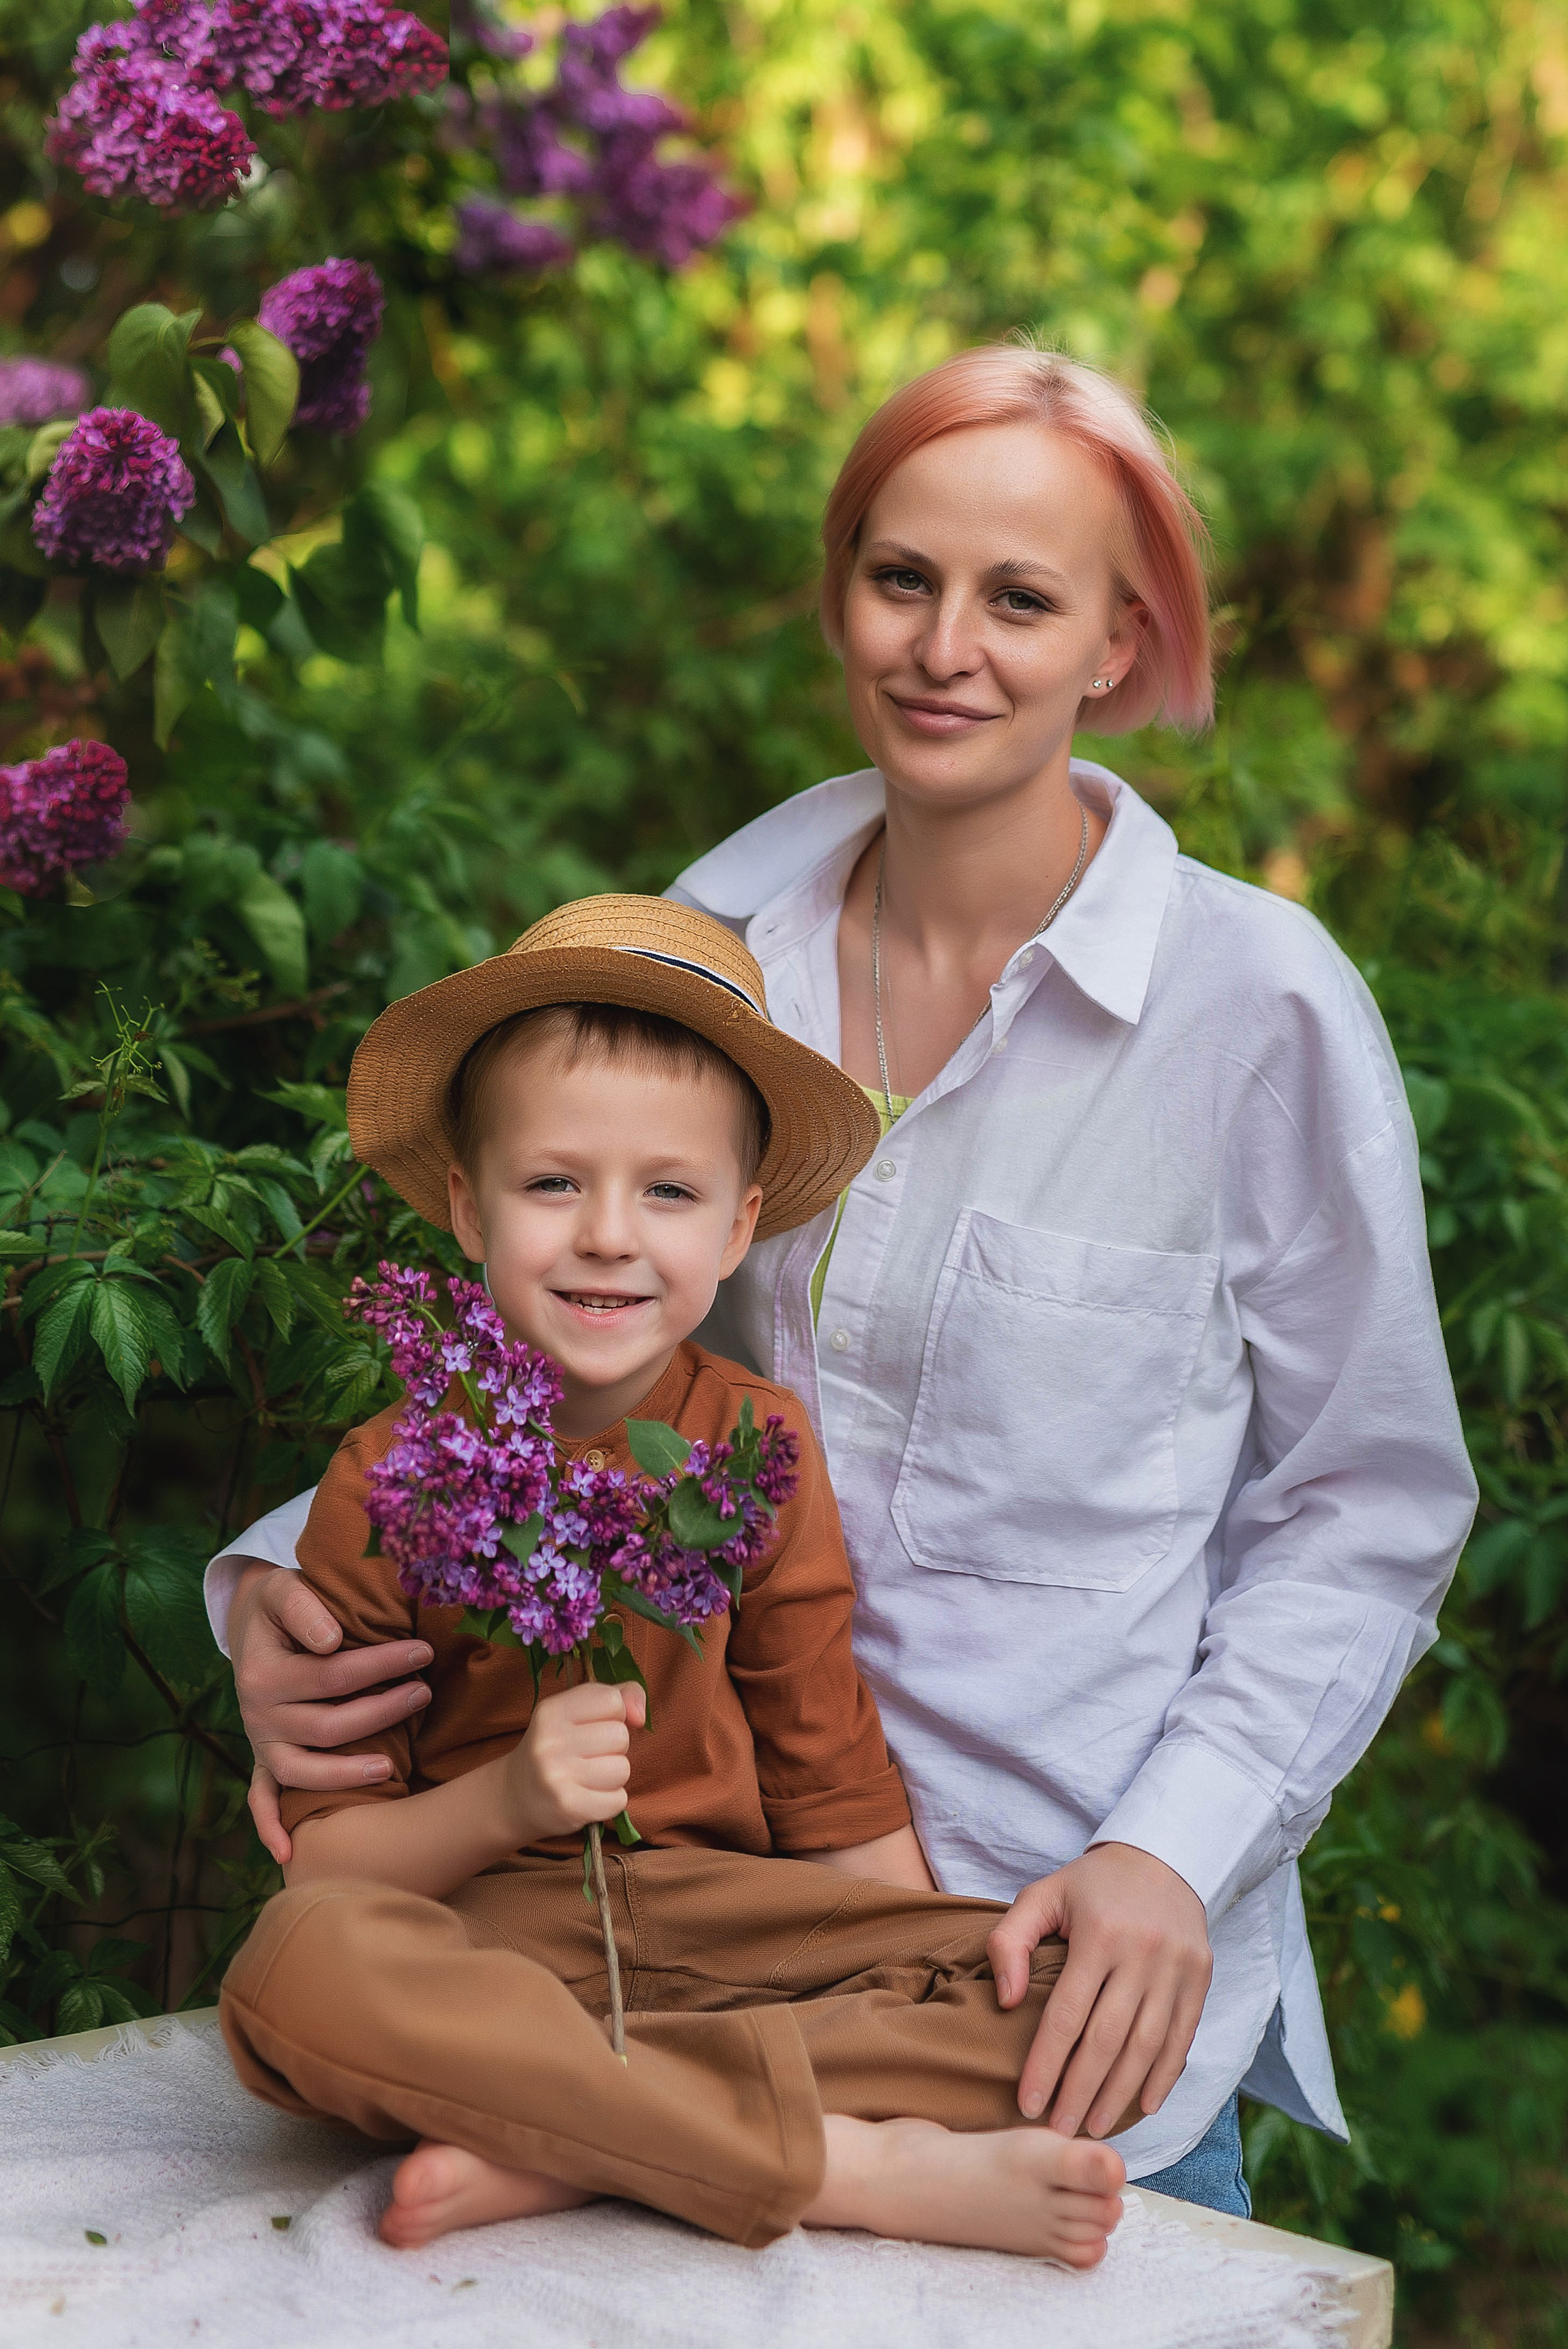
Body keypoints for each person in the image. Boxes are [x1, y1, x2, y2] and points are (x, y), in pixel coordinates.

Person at [209, 345, 1479, 2218]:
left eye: (1019, 598)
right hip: (649, 1901)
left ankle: (582, 2143)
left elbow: (1367, 1508)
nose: (944, 647)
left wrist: (1172, 1852)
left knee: (1048, 2066)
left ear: (1119, 641)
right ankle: (702, 2146)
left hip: (1035, 1948)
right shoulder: (710, 948)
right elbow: (578, 1346)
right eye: (902, 579)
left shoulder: (1256, 1006)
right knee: (310, 1967)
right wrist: (286, 1592)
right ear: (840, 593)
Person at [221, 892, 1129, 2264]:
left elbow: (827, 1772)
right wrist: (514, 1797)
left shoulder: (753, 1446)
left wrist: (917, 1952)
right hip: (487, 1937)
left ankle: (566, 2140)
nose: (607, 1233)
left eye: (668, 1191)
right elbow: (333, 1861)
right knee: (292, 1972)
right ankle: (834, 2163)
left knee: (1055, 1992)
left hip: (721, 1928)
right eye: (552, 1183)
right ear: (466, 1205)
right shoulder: (393, 1475)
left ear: (739, 1223)